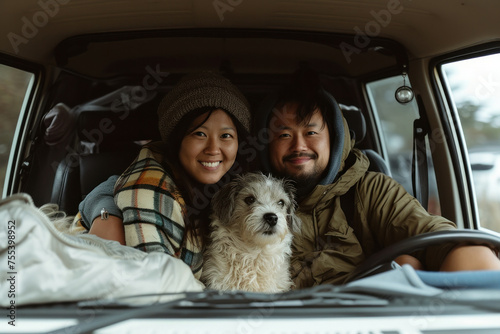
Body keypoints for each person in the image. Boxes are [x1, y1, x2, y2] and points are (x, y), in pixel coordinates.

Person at [254, 69, 500, 289]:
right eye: (284, 134)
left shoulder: (370, 189)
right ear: (267, 144)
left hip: (363, 319)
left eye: (310, 132)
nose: (299, 145)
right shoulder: (245, 200)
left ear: (334, 138)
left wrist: (468, 251)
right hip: (276, 320)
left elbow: (427, 233)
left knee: (411, 263)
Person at [75, 71, 252, 280]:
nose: (214, 149)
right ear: (177, 140)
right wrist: (105, 211)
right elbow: (157, 283)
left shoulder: (243, 185)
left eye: (226, 136)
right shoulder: (148, 191)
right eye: (200, 134)